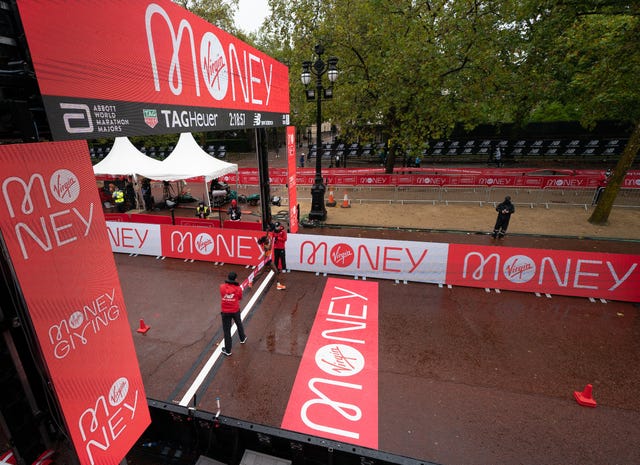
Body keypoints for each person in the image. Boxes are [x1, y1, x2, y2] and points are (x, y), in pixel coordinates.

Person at [219, 271, 247, 356]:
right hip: (235, 310)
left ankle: (228, 350)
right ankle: (242, 338)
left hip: (225, 311)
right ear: (235, 278)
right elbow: (239, 297)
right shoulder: (238, 288)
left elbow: (222, 294)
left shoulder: (222, 287)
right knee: (239, 323)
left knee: (227, 331)